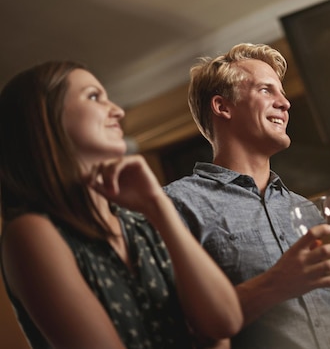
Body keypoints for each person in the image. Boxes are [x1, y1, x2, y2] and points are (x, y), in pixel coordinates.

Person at [0, 61, 243, 349]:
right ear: (43, 120)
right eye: (93, 96)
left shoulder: (140, 222)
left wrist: (158, 206)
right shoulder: (32, 232)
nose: (118, 111)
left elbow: (225, 321)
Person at [163, 43, 330, 349]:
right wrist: (277, 283)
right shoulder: (177, 205)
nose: (285, 104)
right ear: (222, 107)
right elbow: (178, 322)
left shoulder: (304, 208)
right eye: (267, 91)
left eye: (282, 93)